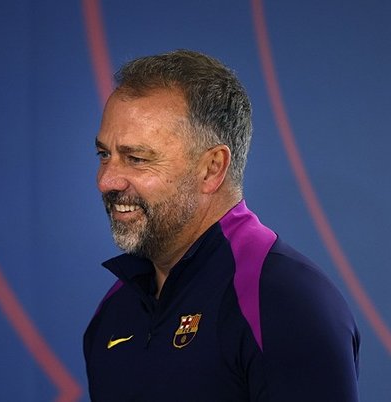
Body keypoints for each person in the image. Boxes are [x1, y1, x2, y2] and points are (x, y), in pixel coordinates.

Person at [83, 49, 360, 401]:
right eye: (104, 155)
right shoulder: (114, 309)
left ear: (212, 168)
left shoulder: (285, 301)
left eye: (136, 158)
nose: (106, 180)